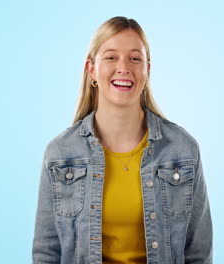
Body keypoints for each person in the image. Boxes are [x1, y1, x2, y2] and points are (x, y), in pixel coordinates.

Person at [32, 16, 213, 264]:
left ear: (147, 69)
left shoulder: (182, 150)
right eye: (111, 57)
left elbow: (198, 254)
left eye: (135, 58)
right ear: (92, 70)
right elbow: (46, 253)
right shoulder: (61, 153)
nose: (124, 67)